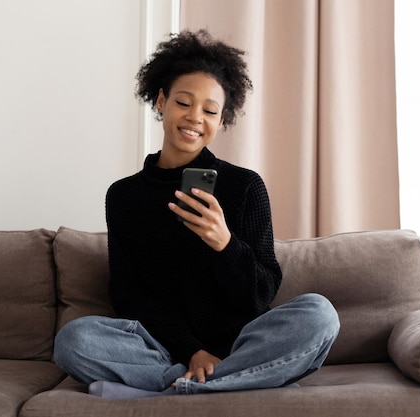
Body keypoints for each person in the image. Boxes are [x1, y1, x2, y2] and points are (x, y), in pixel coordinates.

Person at [53, 29, 339, 398]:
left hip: (241, 345)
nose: (195, 118)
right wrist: (192, 350)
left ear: (222, 121)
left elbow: (261, 295)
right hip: (162, 349)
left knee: (320, 314)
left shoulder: (245, 187)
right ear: (161, 101)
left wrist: (225, 244)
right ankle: (222, 384)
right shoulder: (125, 196)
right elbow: (129, 297)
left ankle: (177, 390)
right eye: (184, 103)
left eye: (210, 110)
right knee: (74, 339)